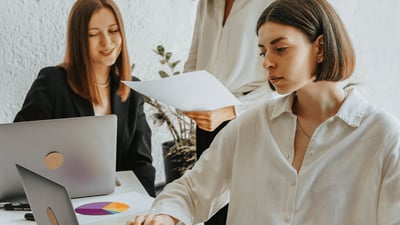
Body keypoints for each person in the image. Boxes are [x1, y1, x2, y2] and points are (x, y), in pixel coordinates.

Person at [128, 0, 400, 224]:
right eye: (262, 52)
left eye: (280, 49)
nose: (267, 62)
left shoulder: (383, 138)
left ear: (319, 47)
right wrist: (164, 216)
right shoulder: (250, 127)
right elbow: (191, 191)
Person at [14, 0, 156, 197]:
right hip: (63, 199)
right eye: (93, 34)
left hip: (117, 202)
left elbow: (142, 164)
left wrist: (147, 207)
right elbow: (20, 149)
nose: (107, 42)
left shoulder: (132, 90)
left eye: (113, 30)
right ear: (79, 39)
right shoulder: (52, 82)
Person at [182, 1, 276, 224]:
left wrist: (233, 109)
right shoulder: (207, 3)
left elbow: (285, 82)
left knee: (244, 211)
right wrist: (185, 94)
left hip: (251, 117)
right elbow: (195, 58)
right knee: (210, 209)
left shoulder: (269, 3)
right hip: (208, 119)